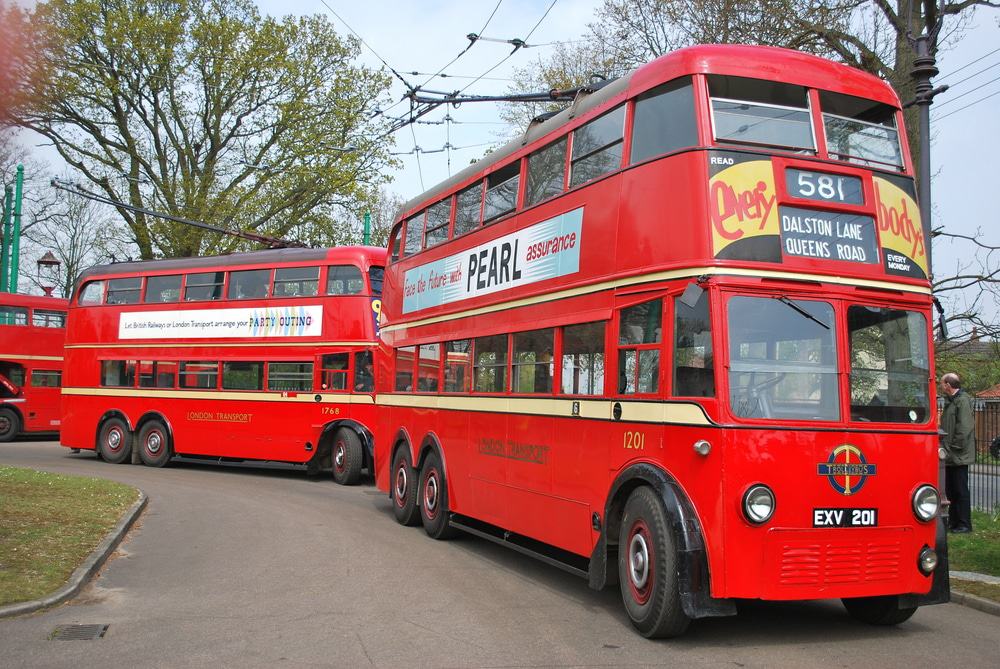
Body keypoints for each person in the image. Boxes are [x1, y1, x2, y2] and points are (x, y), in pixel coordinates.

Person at [939, 372, 975, 533]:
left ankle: (964, 524)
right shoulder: (951, 402)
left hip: (958, 454)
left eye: (942, 383)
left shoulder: (962, 401)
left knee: (960, 490)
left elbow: (965, 427)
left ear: (948, 385)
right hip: (951, 454)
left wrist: (953, 447)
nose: (940, 386)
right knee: (951, 489)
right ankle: (954, 522)